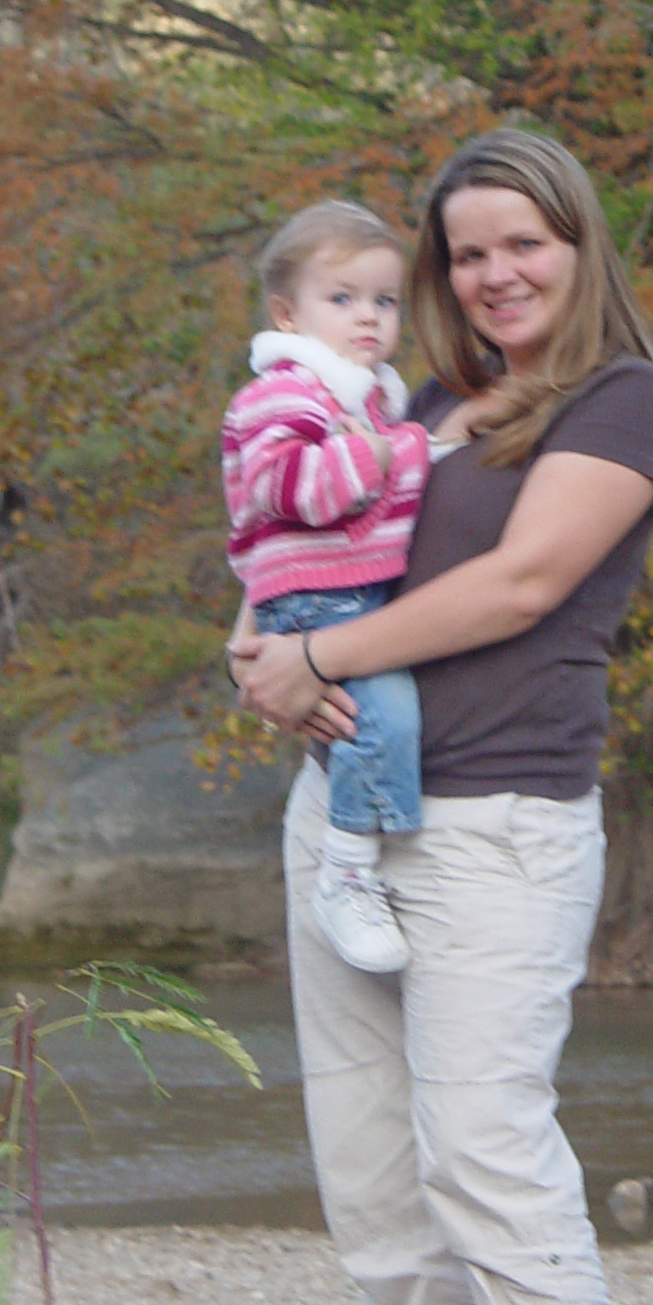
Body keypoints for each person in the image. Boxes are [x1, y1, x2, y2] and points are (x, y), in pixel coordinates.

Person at [235, 127, 653, 1305]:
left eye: (524, 243)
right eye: (468, 251)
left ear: (578, 244)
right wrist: (261, 648)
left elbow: (522, 583)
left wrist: (314, 656)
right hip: (345, 821)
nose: (495, 273)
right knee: (377, 1184)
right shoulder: (415, 401)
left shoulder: (627, 403)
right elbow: (311, 558)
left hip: (500, 831)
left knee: (489, 1162)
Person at [222, 201, 433, 971]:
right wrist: (385, 456)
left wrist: (393, 447)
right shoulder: (286, 391)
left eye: (384, 301)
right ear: (288, 312)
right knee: (381, 716)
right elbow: (287, 490)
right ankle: (346, 870)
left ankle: (356, 857)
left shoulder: (366, 396)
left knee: (379, 711)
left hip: (352, 589)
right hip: (316, 596)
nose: (368, 319)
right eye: (342, 300)